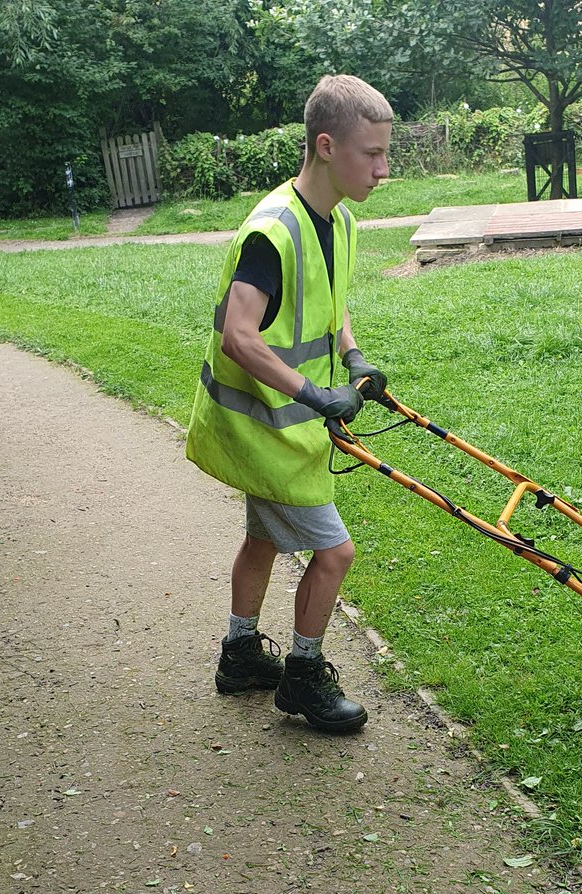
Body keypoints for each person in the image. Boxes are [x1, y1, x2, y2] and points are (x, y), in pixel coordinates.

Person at [186, 75, 393, 733]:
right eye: (371, 154)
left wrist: (355, 358)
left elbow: (330, 304)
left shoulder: (339, 220)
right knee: (334, 553)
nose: (382, 169)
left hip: (286, 425)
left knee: (263, 537)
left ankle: (241, 654)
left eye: (386, 154)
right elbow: (238, 335)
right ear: (327, 147)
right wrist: (314, 393)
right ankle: (303, 677)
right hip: (263, 428)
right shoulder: (271, 232)